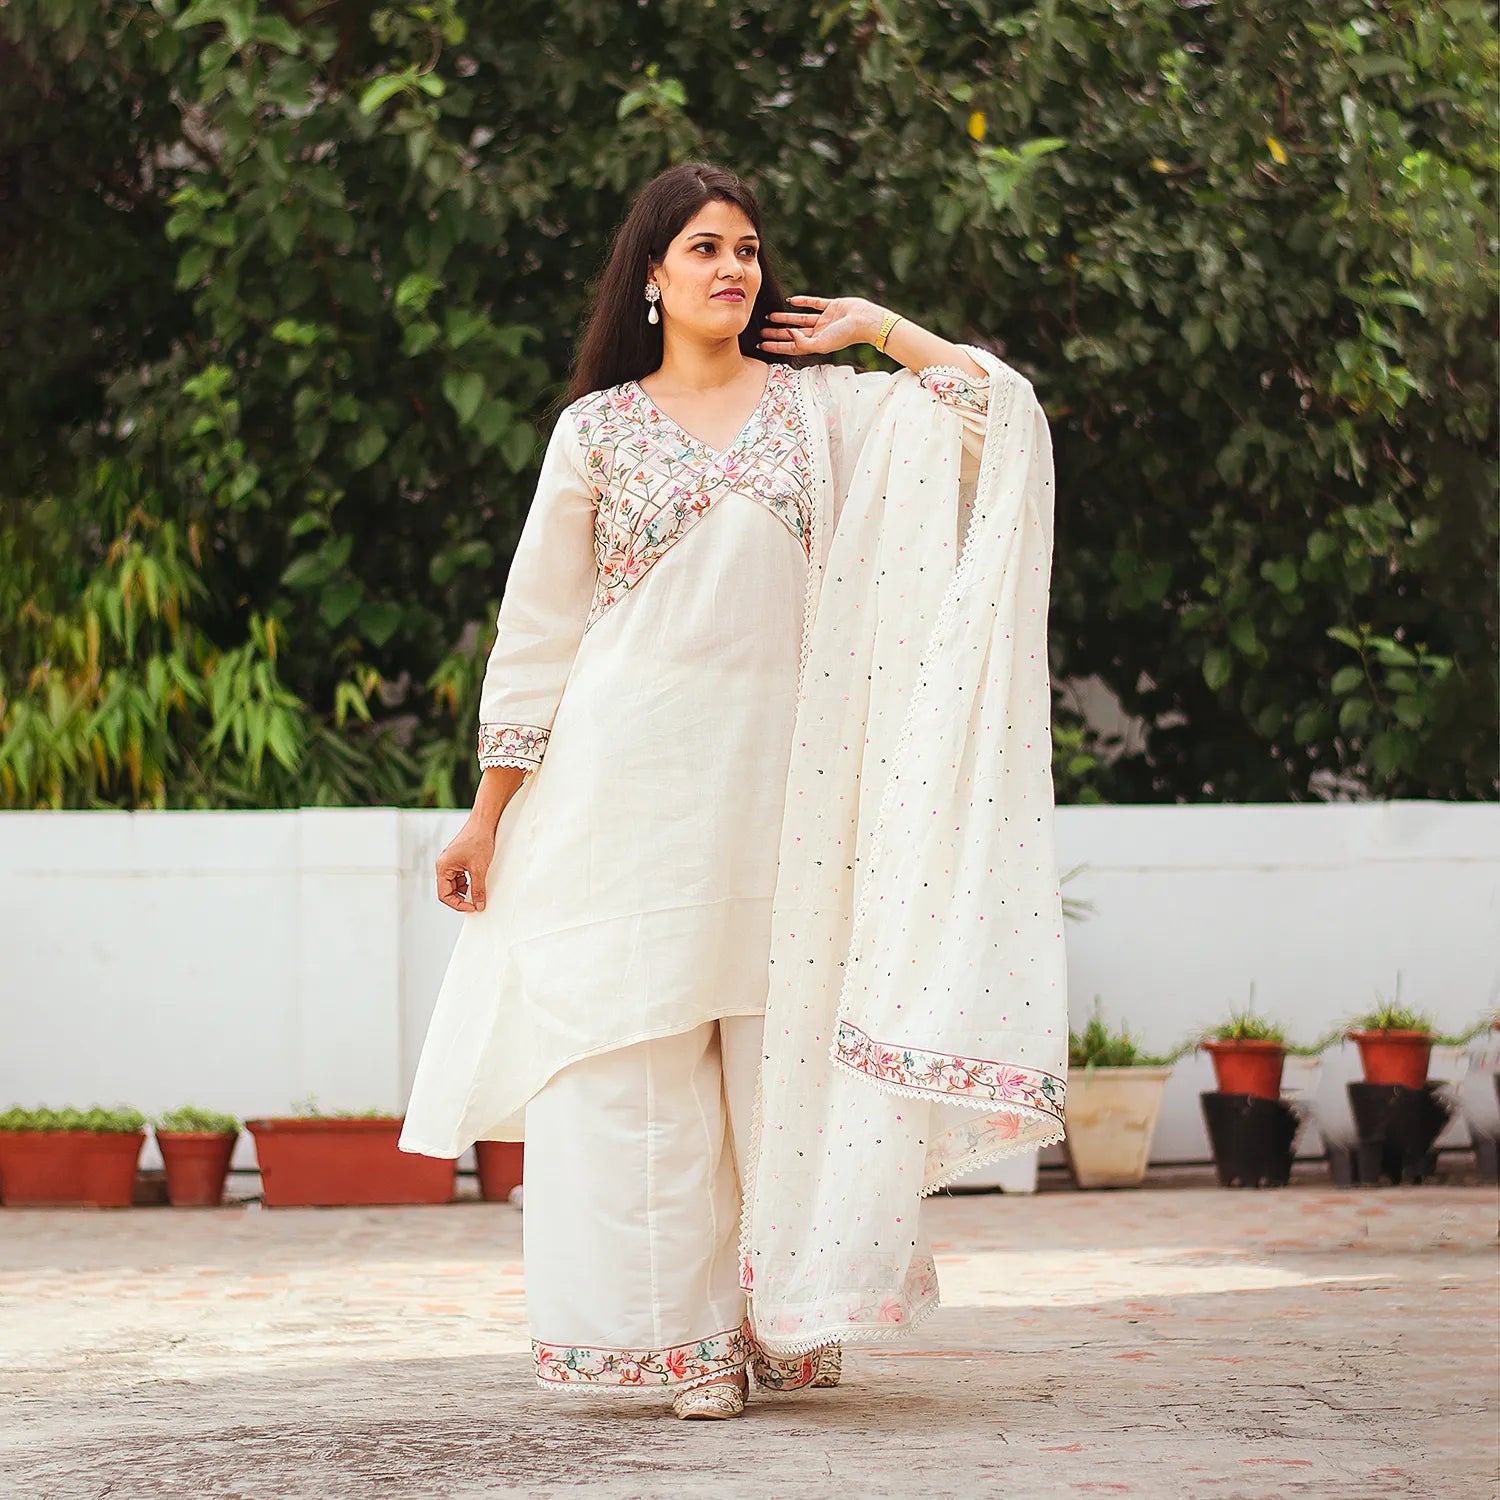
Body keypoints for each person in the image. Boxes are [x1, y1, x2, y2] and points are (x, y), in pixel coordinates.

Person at [400, 161, 1067, 1420]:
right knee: (634, 1065)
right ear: (649, 277)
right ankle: (680, 1345)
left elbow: (990, 419)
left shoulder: (827, 410)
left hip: (792, 801)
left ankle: (780, 1317)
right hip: (620, 788)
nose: (732, 268)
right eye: (703, 248)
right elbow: (536, 635)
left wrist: (880, 329)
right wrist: (488, 812)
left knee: (783, 1059)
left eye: (748, 248)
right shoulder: (594, 429)